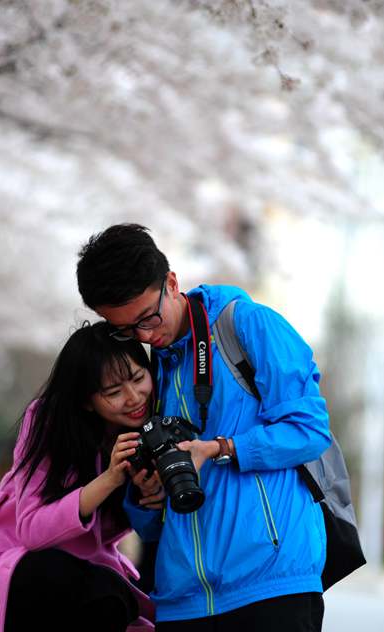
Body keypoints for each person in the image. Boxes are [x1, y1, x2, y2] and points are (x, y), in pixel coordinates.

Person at [77, 224, 332, 631]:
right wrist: (145, 496)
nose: (146, 335)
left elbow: (309, 430)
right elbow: (149, 525)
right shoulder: (145, 376)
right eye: (125, 329)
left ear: (172, 283)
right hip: (182, 600)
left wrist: (219, 448)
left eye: (149, 317)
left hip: (271, 586)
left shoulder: (247, 326)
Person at [0, 322, 158, 632]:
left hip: (84, 580)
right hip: (15, 573)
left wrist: (143, 495)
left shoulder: (150, 427)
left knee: (118, 599)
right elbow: (32, 531)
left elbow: (117, 531)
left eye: (139, 378)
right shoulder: (50, 424)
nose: (133, 397)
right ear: (87, 400)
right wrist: (109, 479)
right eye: (113, 391)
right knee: (104, 594)